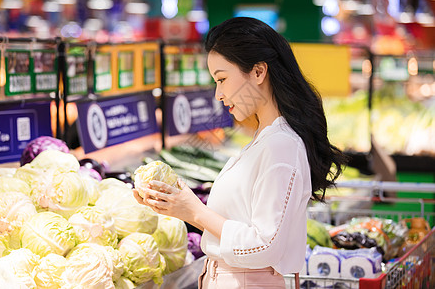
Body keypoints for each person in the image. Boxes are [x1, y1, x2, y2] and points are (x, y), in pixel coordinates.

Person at [133, 17, 347, 288]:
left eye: (222, 79)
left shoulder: (281, 145)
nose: (218, 94)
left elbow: (264, 246)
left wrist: (194, 211)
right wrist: (175, 202)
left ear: (258, 72)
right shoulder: (266, 139)